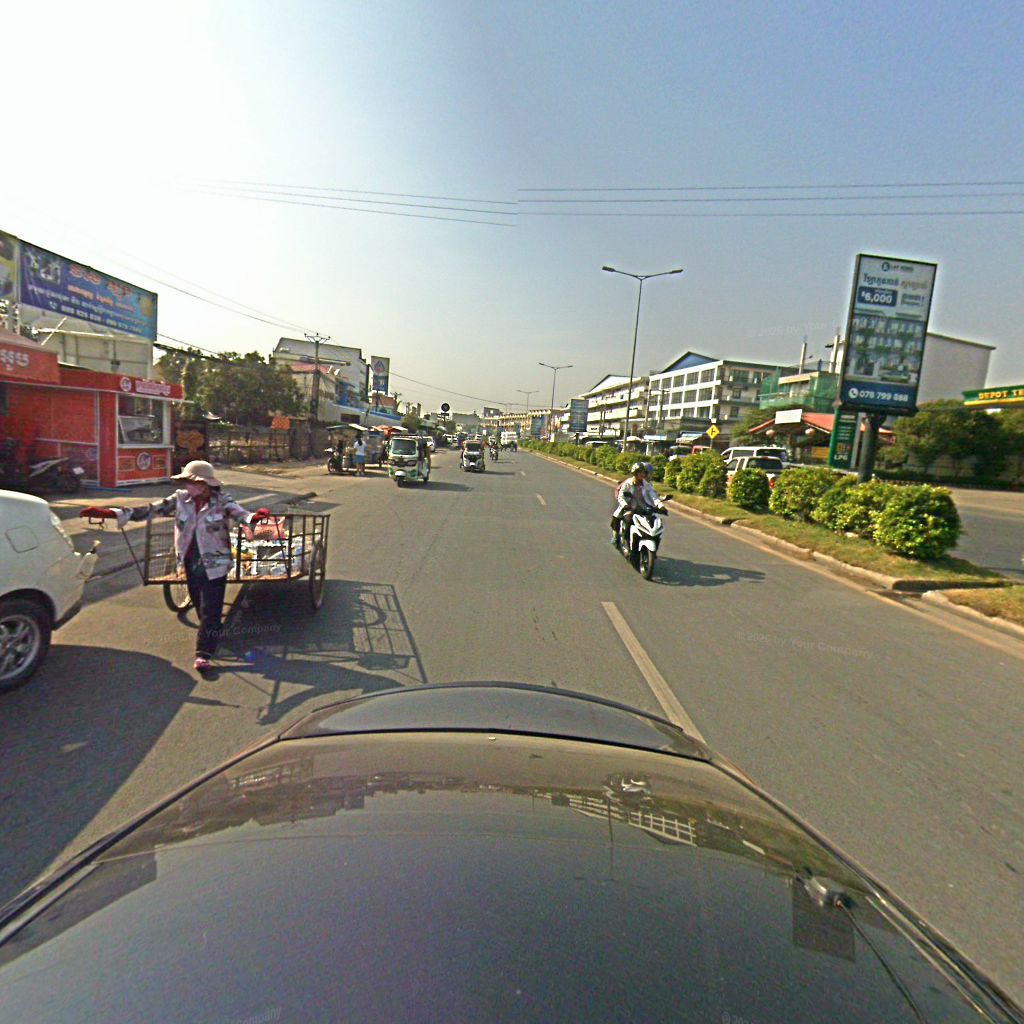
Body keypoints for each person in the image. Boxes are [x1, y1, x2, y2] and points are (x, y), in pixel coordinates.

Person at [80, 460, 272, 673]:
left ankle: (203, 653)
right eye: (187, 482)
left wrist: (255, 517)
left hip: (215, 561)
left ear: (205, 484)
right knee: (198, 602)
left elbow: (240, 514)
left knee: (210, 607)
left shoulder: (222, 501)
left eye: (192, 482)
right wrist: (112, 513)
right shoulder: (180, 499)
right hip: (189, 560)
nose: (188, 486)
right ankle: (212, 631)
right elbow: (151, 510)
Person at [611, 462, 665, 546]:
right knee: (623, 518)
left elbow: (653, 495)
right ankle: (622, 539)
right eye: (641, 473)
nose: (644, 475)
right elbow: (621, 496)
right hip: (630, 507)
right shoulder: (628, 483)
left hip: (644, 508)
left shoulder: (647, 485)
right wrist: (625, 505)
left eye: (645, 473)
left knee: (654, 520)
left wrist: (660, 505)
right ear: (635, 473)